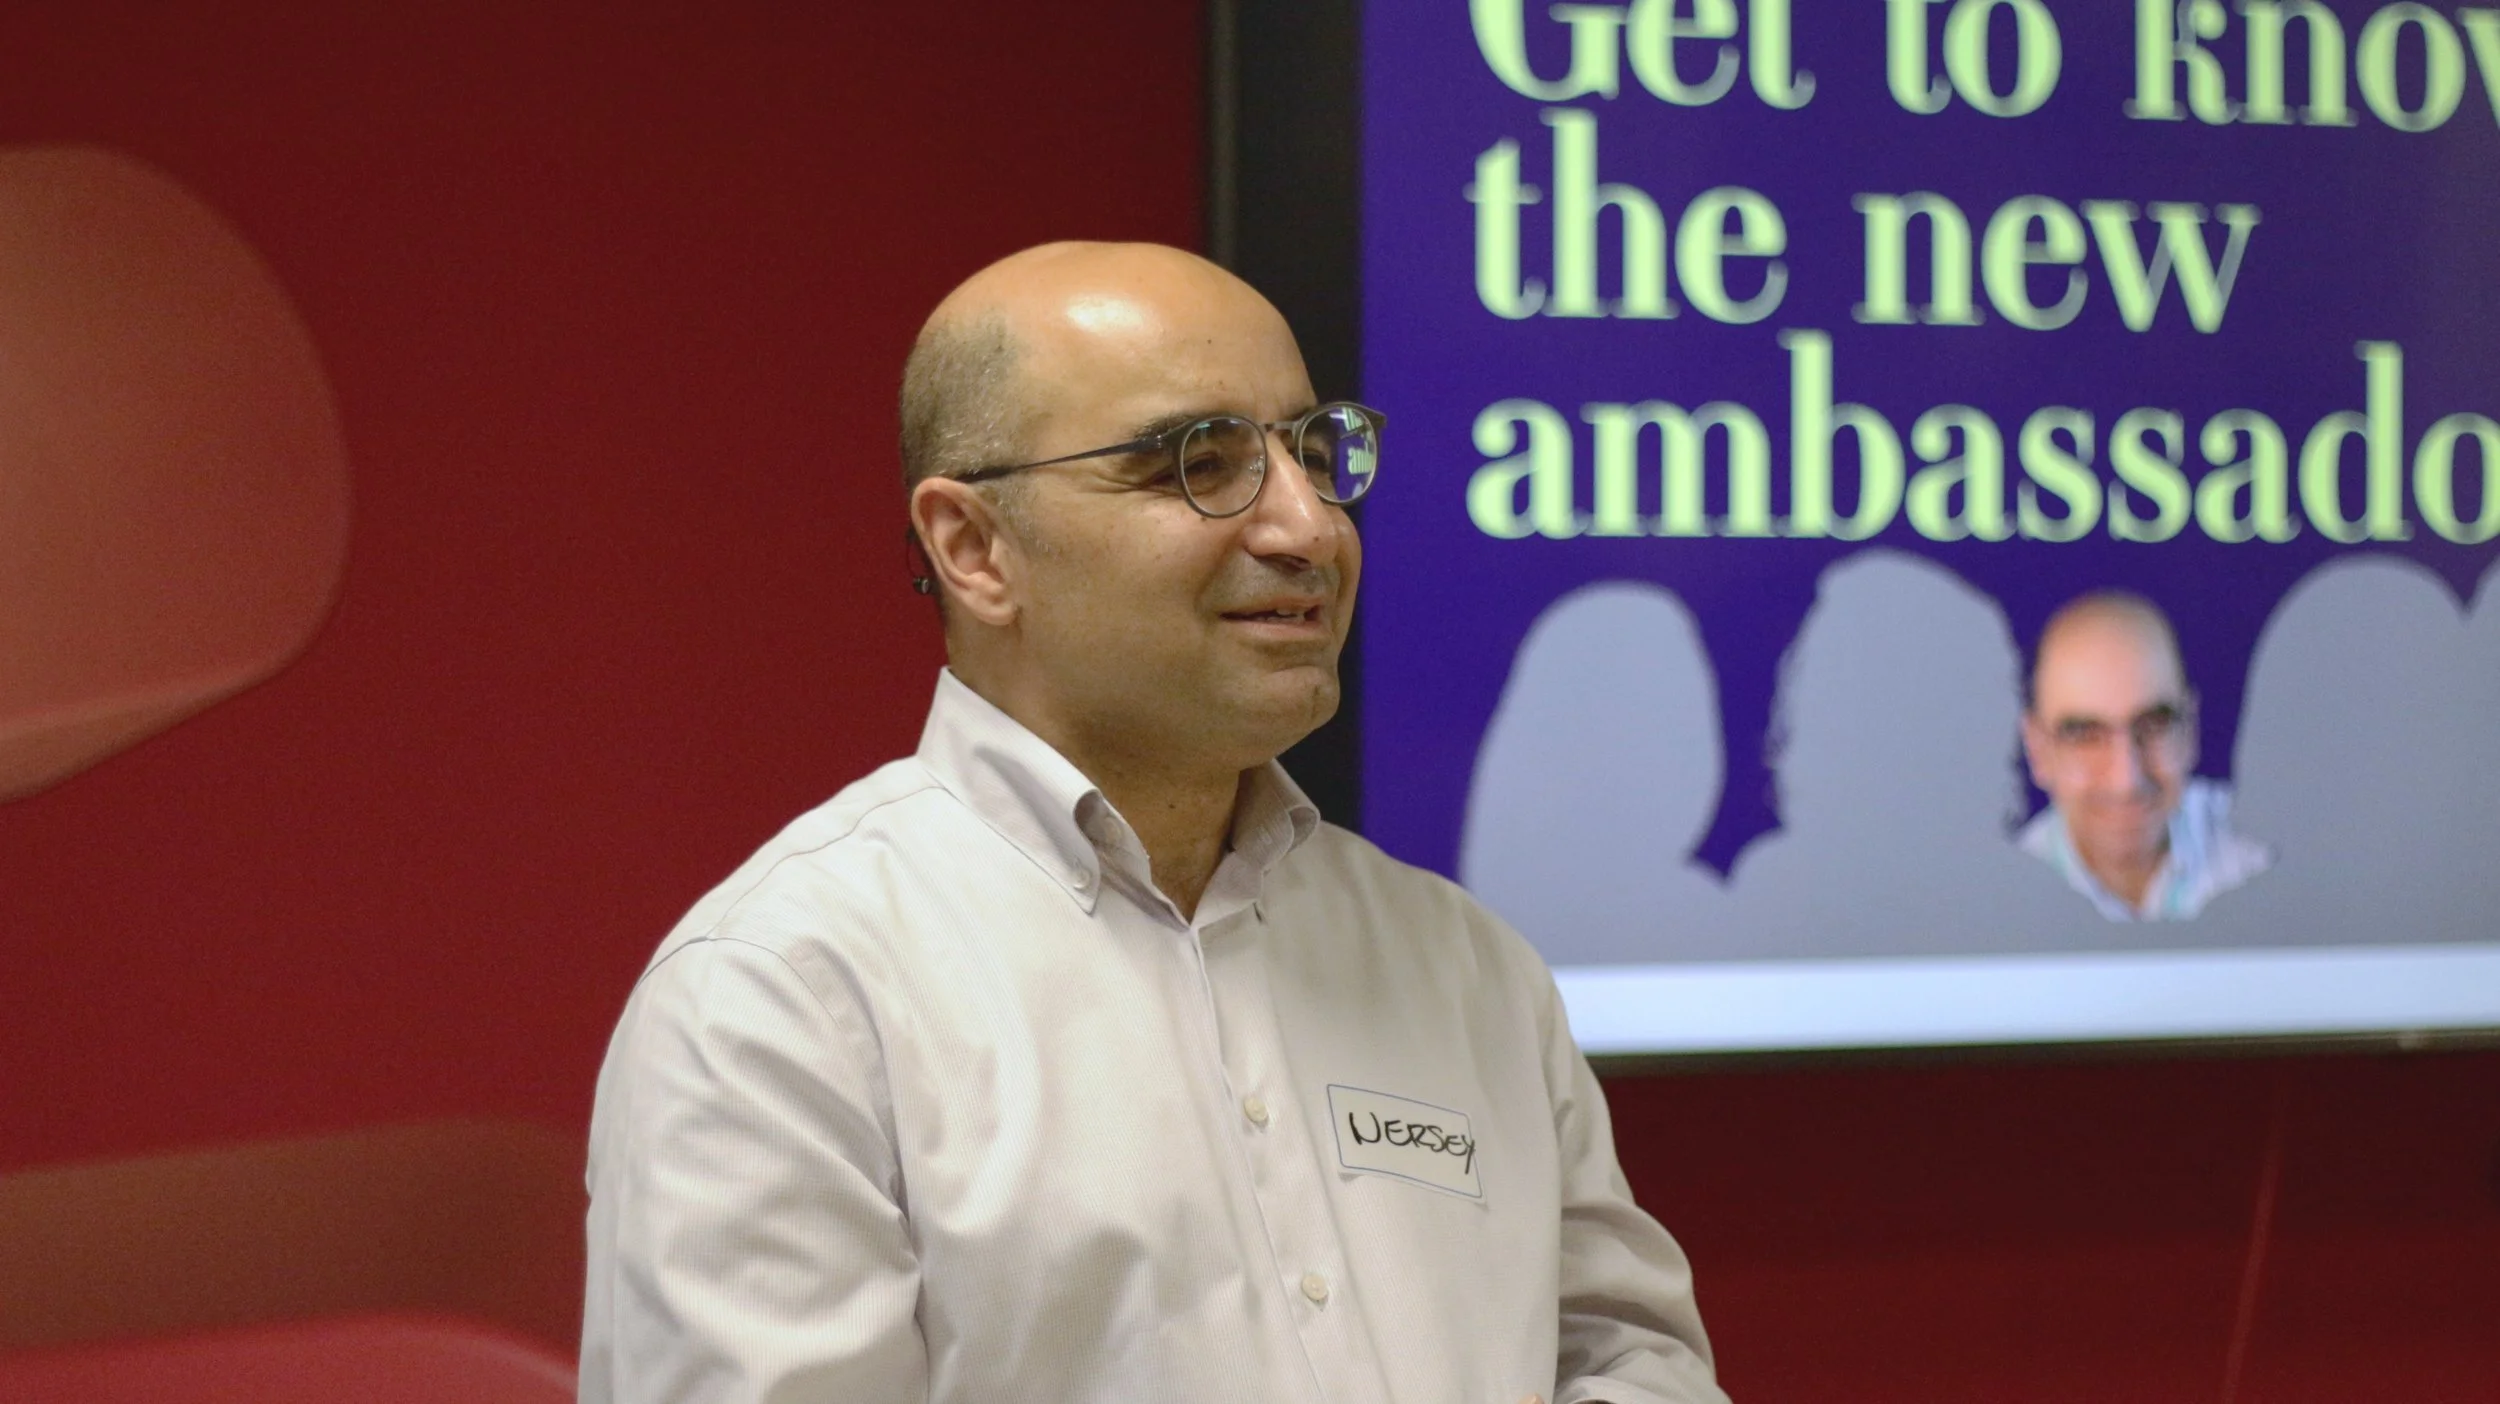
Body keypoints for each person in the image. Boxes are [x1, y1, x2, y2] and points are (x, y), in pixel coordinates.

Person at [580, 242, 1727, 1404]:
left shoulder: (1460, 963)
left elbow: (1629, 1363)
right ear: (974, 550)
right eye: (1199, 462)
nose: (1309, 528)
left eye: (1313, 453)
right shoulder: (786, 999)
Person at [2017, 591, 2270, 921]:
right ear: (2038, 751)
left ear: (2190, 731)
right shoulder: (1999, 892)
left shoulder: (2262, 853)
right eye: (2084, 735)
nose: (2127, 780)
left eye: (2153, 725)